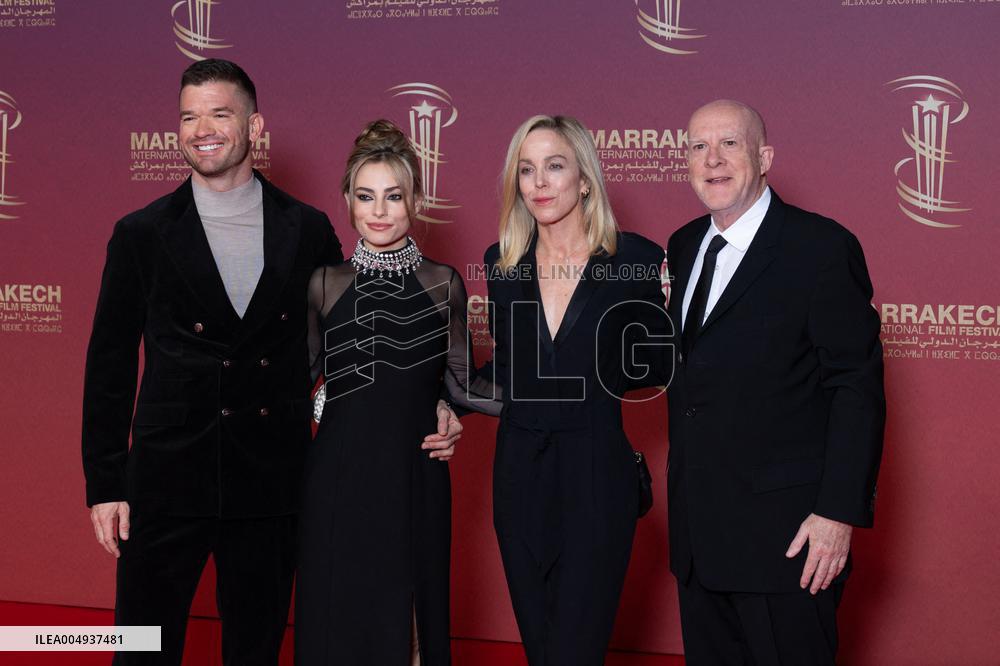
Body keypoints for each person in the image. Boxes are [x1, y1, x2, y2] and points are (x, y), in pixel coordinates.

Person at [82, 60, 462, 666]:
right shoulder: (141, 234)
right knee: (140, 648)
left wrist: (436, 401)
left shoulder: (306, 229)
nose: (201, 128)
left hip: (271, 481)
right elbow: (108, 366)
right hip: (165, 480)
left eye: (219, 113)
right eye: (188, 115)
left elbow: (359, 338)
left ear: (254, 126)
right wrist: (105, 484)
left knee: (255, 651)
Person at [665, 99, 885, 665]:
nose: (712, 159)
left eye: (729, 144)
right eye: (697, 146)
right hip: (700, 539)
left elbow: (855, 389)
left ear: (763, 156)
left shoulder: (821, 248)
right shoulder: (685, 245)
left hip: (788, 542)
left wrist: (838, 515)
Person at [295, 119, 500, 666]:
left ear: (417, 201)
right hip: (336, 479)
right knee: (337, 619)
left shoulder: (443, 283)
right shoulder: (324, 283)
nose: (379, 211)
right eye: (366, 196)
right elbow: (297, 383)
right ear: (347, 200)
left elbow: (463, 383)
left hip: (415, 477)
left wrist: (550, 385)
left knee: (409, 618)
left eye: (394, 196)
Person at [484, 115, 670, 665]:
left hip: (596, 473)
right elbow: (509, 369)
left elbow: (661, 367)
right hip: (519, 474)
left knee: (576, 650)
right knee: (541, 649)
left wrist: (672, 314)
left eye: (555, 166)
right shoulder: (503, 264)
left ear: (584, 179)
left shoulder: (637, 260)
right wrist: (447, 407)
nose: (539, 182)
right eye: (527, 170)